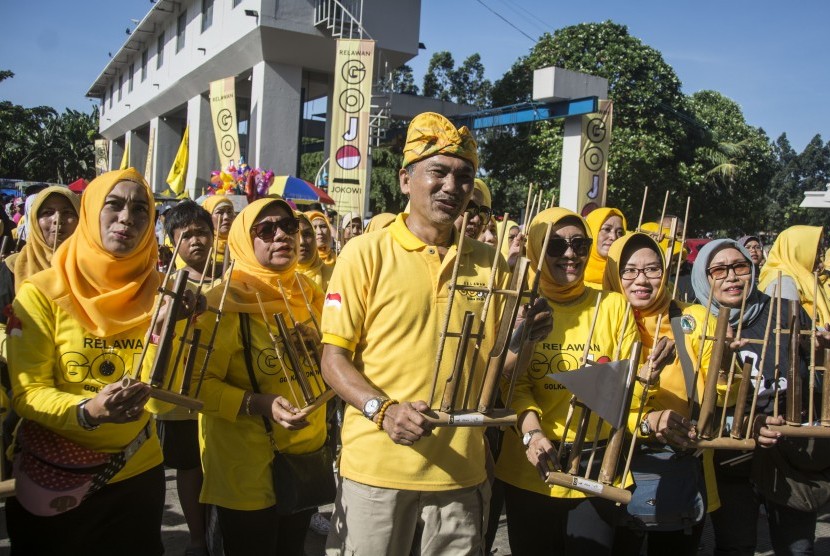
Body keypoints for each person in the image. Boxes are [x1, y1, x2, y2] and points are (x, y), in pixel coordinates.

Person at [321, 112, 549, 555]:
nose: (452, 187)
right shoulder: (364, 253)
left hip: (461, 476)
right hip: (376, 472)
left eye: (464, 177)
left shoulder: (491, 263)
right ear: (406, 180)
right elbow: (333, 359)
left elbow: (500, 374)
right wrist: (381, 410)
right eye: (438, 172)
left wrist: (524, 339)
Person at [6, 168, 185, 554]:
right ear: (89, 211)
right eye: (114, 205)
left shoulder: (165, 294)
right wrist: (88, 411)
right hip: (53, 476)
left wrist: (172, 328)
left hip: (135, 473)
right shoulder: (41, 293)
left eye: (141, 210)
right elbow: (28, 391)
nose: (127, 219)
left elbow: (160, 399)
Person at [494, 207, 638, 556]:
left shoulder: (613, 306)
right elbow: (511, 383)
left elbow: (624, 384)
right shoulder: (519, 306)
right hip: (531, 464)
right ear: (537, 249)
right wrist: (533, 433)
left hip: (595, 465)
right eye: (556, 246)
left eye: (579, 244)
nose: (570, 254)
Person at [196, 197, 327, 556]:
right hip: (247, 466)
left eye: (288, 226)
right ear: (244, 239)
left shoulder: (307, 290)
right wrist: (259, 404)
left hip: (304, 457)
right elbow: (195, 385)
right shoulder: (221, 302)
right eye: (266, 229)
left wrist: (318, 346)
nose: (282, 235)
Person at [690, 239, 830, 556]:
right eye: (719, 270)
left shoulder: (783, 313)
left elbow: (815, 368)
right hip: (732, 455)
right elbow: (695, 393)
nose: (732, 277)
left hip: (789, 454)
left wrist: (823, 352)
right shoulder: (697, 322)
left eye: (740, 267)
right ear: (704, 276)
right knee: (735, 546)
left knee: (798, 548)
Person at [603, 232, 723, 555]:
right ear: (615, 273)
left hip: (681, 469)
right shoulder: (602, 323)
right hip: (614, 470)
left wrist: (727, 372)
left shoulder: (693, 319)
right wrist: (643, 421)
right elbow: (599, 401)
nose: (641, 280)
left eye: (653, 269)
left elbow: (723, 391)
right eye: (629, 270)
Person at [157, 200, 218, 556]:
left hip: (220, 386)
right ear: (172, 242)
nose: (196, 240)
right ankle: (196, 539)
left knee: (219, 463)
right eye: (187, 234)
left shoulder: (231, 275)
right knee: (191, 466)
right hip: (180, 392)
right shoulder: (162, 281)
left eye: (202, 232)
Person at [758, 225, 830, 326]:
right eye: (816, 250)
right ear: (799, 250)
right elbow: (787, 329)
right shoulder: (783, 281)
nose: (819, 256)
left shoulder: (803, 276)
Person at [583, 207, 627, 289]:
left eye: (620, 232)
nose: (613, 237)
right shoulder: (570, 277)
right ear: (591, 231)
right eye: (606, 229)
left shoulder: (628, 279)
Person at [297, 212, 333, 292]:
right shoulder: (278, 279)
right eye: (296, 235)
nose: (302, 242)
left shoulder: (334, 276)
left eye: (307, 234)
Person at [201, 195, 236, 270]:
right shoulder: (200, 247)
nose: (226, 217)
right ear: (208, 217)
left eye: (229, 212)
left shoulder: (241, 244)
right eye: (220, 212)